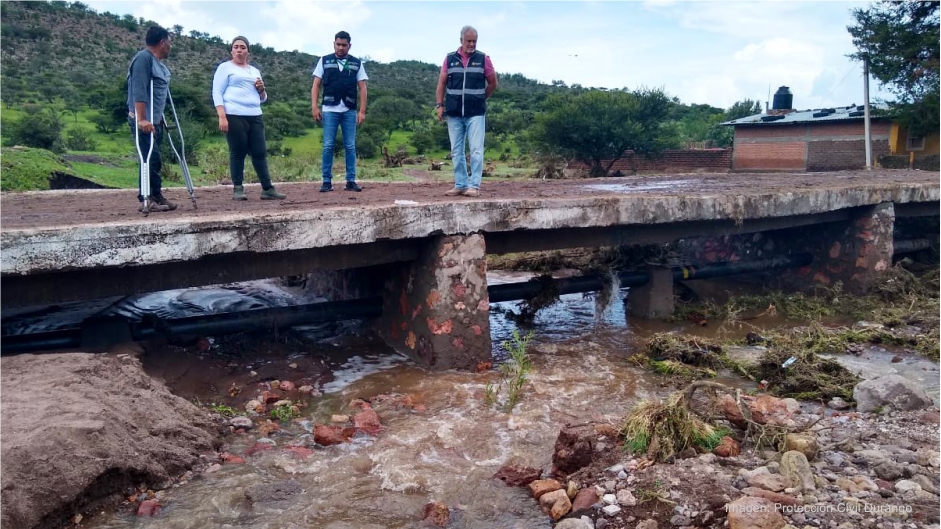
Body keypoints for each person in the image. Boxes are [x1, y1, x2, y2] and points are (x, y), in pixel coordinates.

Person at [212, 36, 286, 201]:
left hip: (255, 114)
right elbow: (217, 92)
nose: (239, 50)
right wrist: (222, 116)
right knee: (238, 152)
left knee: (259, 152)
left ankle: (267, 188)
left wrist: (261, 90)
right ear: (231, 50)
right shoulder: (224, 68)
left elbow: (263, 98)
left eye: (243, 47)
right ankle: (238, 189)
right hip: (234, 113)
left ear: (248, 51)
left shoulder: (254, 71)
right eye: (236, 47)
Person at [435, 25, 498, 198]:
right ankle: (461, 184)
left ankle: (474, 185)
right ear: (461, 40)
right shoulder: (449, 59)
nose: (471, 44)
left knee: (476, 150)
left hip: (476, 113)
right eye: (468, 41)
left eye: (474, 41)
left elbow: (493, 83)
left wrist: (481, 98)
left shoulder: (483, 59)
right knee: (456, 150)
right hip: (454, 113)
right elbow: (441, 84)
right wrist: (440, 105)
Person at [310, 31, 367, 193]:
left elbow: (362, 87)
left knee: (350, 146)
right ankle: (326, 181)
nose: (340, 47)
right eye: (338, 44)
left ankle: (351, 180)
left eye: (344, 45)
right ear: (333, 44)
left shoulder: (356, 63)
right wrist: (314, 107)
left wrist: (362, 111)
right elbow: (316, 85)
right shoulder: (324, 60)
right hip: (329, 109)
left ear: (349, 45)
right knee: (328, 145)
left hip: (349, 110)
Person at [127, 25, 176, 212]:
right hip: (143, 121)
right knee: (149, 158)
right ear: (162, 43)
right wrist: (142, 119)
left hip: (155, 121)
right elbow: (139, 90)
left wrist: (159, 118)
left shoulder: (160, 66)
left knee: (155, 160)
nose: (170, 47)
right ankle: (146, 198)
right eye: (169, 43)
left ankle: (156, 195)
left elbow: (156, 96)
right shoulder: (143, 59)